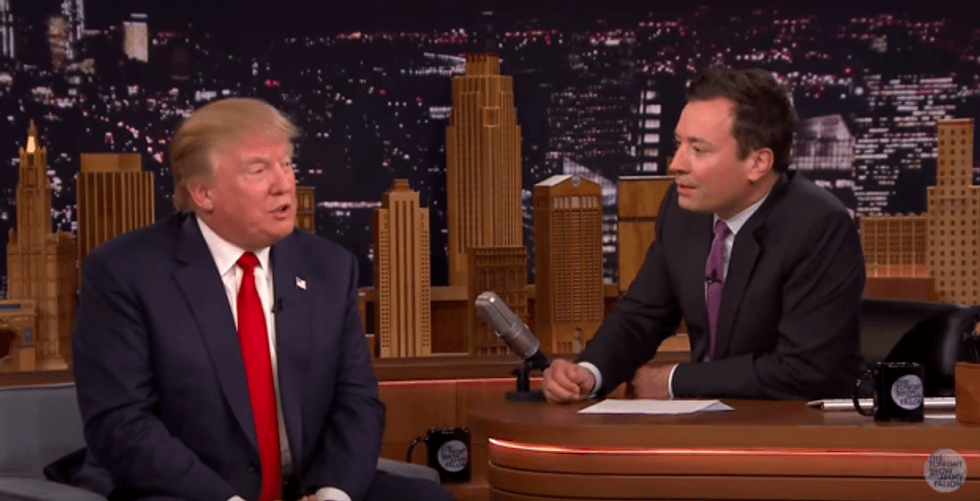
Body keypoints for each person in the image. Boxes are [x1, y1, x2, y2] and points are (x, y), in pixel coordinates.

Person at [69, 98, 453, 501]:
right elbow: (121, 423)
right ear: (203, 193)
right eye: (258, 170)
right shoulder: (125, 273)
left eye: (286, 164)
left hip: (305, 487)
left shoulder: (329, 268)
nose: (283, 183)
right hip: (187, 492)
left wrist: (334, 494)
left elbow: (357, 402)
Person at [543, 67, 865, 403]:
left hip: (796, 424)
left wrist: (673, 382)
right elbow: (641, 316)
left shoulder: (818, 226)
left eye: (698, 149)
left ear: (757, 163)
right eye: (678, 144)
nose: (676, 164)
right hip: (711, 422)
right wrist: (589, 372)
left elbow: (807, 371)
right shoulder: (682, 210)